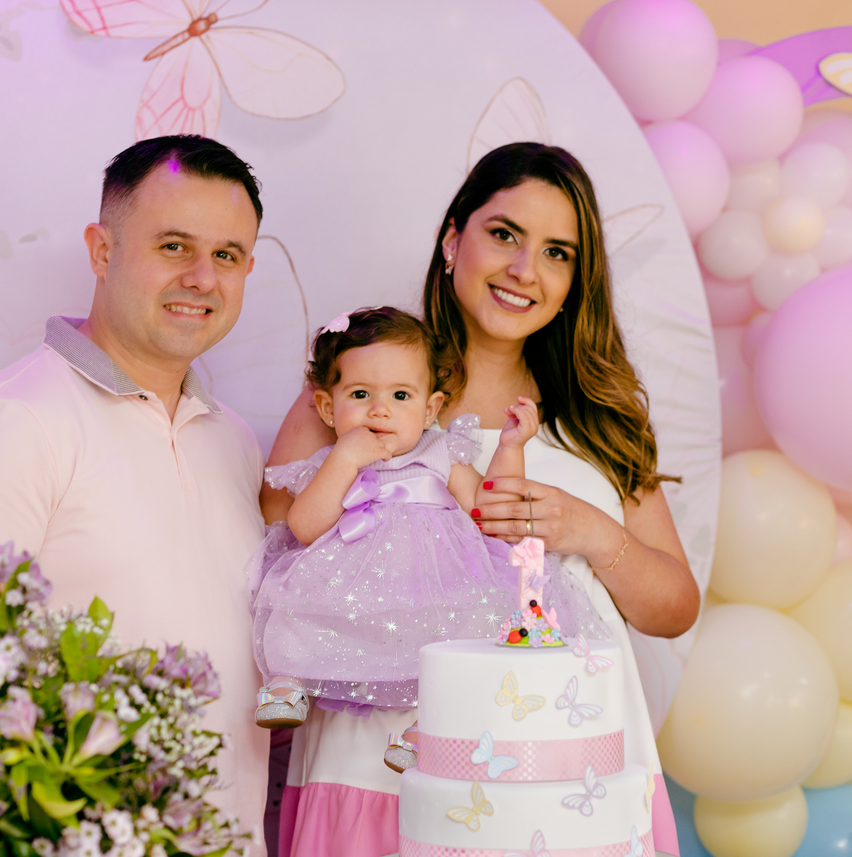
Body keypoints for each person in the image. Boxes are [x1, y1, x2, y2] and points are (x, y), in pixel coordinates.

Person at [264, 143, 699, 857]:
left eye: (557, 252)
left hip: (560, 768)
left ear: (575, 281)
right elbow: (276, 546)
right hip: (373, 765)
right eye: (504, 234)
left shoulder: (597, 416)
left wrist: (588, 530)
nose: (525, 269)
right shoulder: (364, 388)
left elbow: (674, 607)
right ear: (452, 240)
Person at [0, 135, 271, 855]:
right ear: (102, 251)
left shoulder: (232, 440)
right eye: (174, 246)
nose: (202, 277)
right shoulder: (15, 419)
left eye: (227, 255)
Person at [249, 307, 605, 737]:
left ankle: (430, 728)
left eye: (401, 396)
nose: (380, 411)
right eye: (360, 394)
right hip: (353, 586)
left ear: (429, 408)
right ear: (328, 407)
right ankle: (287, 685)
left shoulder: (438, 451)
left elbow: (488, 508)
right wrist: (344, 459)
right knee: (297, 606)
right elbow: (304, 528)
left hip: (434, 582)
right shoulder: (334, 462)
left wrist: (511, 447)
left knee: (473, 630)